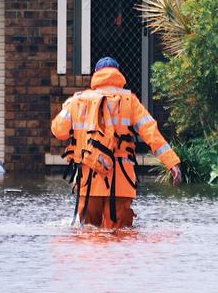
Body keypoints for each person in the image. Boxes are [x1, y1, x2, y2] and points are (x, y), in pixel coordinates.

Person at [51, 57, 182, 229]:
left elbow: (58, 131)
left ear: (96, 75)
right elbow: (151, 133)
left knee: (88, 235)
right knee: (120, 234)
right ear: (118, 73)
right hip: (121, 182)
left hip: (90, 180)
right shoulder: (130, 101)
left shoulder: (78, 100)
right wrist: (172, 163)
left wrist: (67, 107)